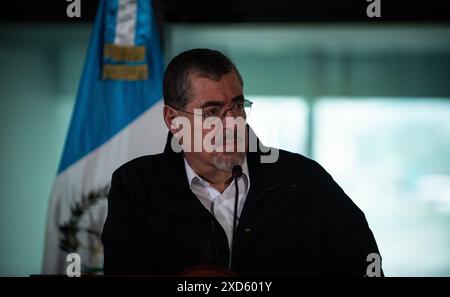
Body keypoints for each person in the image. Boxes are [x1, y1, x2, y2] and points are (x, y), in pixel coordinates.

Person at [101, 48, 382, 276]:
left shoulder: (304, 180)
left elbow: (364, 265)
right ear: (173, 121)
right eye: (212, 111)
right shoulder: (135, 186)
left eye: (237, 105)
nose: (232, 122)